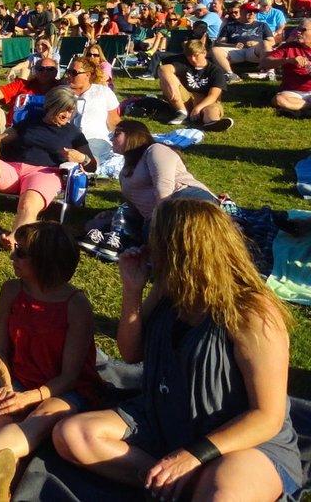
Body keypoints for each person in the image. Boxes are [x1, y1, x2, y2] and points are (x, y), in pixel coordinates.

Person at [54, 198, 302, 501]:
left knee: (223, 494)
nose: (147, 240)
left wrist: (193, 455)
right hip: (165, 418)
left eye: (154, 234)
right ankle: (178, 484)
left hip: (239, 440)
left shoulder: (251, 313)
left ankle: (188, 481)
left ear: (180, 248)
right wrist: (132, 291)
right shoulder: (169, 291)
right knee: (72, 436)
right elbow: (132, 354)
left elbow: (267, 416)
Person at [0, 222, 102, 500]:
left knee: (39, 418)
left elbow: (70, 375)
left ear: (44, 260)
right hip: (20, 378)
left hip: (65, 389)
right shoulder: (10, 291)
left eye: (21, 253)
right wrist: (8, 385)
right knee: (2, 405)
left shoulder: (76, 305)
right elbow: (0, 350)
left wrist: (30, 397)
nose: (11, 258)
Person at [0, 86, 96, 245]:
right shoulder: (30, 122)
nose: (67, 115)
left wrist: (82, 158)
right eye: (63, 110)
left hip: (45, 173)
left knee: (28, 203)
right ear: (51, 107)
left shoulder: (74, 133)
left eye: (71, 111)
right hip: (14, 170)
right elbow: (1, 138)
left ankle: (16, 236)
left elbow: (93, 166)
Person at [80, 120, 216, 261]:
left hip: (185, 199)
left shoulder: (155, 150)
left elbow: (163, 187)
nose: (111, 138)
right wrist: (115, 214)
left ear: (133, 135)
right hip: (155, 217)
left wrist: (161, 219)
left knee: (177, 226)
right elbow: (135, 206)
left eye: (117, 134)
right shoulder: (125, 172)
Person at [158, 38, 233, 131]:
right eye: (189, 57)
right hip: (185, 99)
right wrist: (171, 87)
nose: (193, 59)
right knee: (166, 76)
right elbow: (164, 69)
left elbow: (214, 95)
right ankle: (182, 113)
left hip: (206, 101)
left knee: (211, 109)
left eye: (196, 56)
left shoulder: (215, 70)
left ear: (204, 53)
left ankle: (212, 123)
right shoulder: (184, 65)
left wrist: (198, 108)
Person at [265, 18, 311, 116]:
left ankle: (300, 109)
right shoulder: (288, 47)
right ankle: (307, 107)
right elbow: (264, 63)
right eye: (297, 29)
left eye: (303, 30)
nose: (298, 32)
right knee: (278, 100)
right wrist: (288, 60)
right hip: (292, 92)